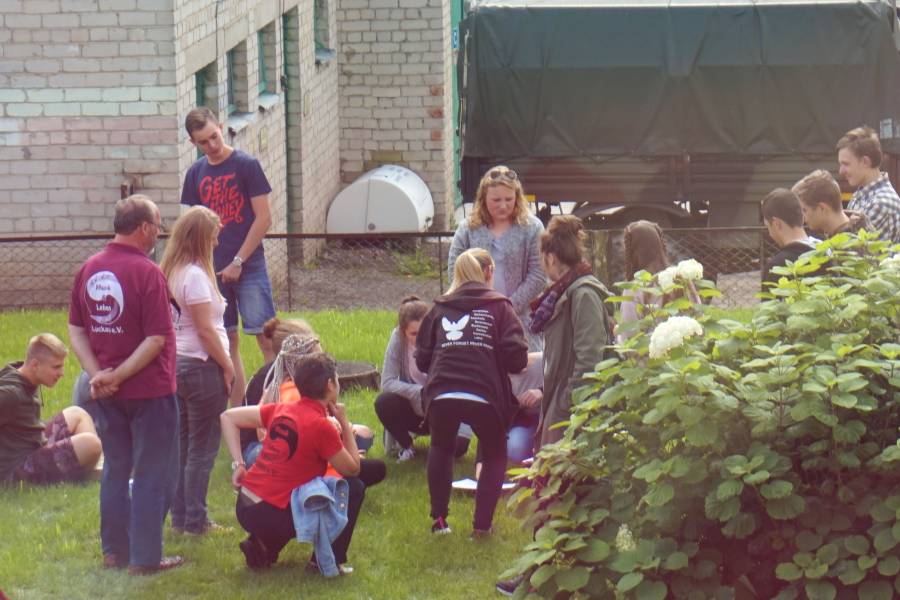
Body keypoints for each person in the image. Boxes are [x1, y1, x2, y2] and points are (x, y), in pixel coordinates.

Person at [67, 194, 181, 575]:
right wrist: (114, 375)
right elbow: (156, 339)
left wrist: (98, 374)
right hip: (150, 391)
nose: (160, 233)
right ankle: (146, 558)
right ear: (145, 228)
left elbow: (76, 328)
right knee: (151, 473)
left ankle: (114, 551)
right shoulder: (148, 272)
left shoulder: (88, 268)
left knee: (116, 469)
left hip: (106, 394)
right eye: (158, 225)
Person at [415, 248, 529, 536]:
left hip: (442, 392)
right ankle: (481, 527)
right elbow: (516, 358)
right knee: (493, 454)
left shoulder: (439, 308)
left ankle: (439, 521)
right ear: (489, 272)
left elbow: (422, 359)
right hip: (484, 393)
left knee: (441, 447)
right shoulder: (501, 307)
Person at [221, 352, 364, 575]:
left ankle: (262, 547)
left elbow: (228, 417)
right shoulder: (321, 425)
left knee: (300, 492)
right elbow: (353, 469)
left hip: (245, 505)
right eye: (337, 380)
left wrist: (239, 464)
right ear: (329, 385)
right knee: (353, 488)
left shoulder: (281, 409)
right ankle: (324, 561)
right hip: (268, 513)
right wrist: (344, 422)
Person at [180, 106, 276, 409]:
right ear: (194, 144)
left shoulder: (246, 165)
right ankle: (236, 412)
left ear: (221, 126)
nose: (212, 145)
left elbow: (264, 219)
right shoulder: (195, 174)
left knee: (265, 337)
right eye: (203, 142)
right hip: (210, 272)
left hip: (249, 266)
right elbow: (191, 227)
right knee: (227, 340)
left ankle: (274, 406)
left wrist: (238, 261)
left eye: (214, 136)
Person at [159, 206, 235, 535]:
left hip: (178, 366)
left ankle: (179, 519)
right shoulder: (195, 276)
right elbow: (205, 331)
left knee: (183, 446)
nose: (217, 244)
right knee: (202, 449)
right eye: (215, 237)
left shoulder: (171, 272)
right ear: (202, 238)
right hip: (203, 367)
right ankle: (197, 520)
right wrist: (228, 364)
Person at [242, 319, 385, 489]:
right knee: (362, 470)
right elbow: (267, 434)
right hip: (267, 449)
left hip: (299, 444)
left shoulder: (298, 380)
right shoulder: (285, 387)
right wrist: (341, 431)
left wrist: (341, 427)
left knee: (364, 434)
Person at [531, 215, 612, 448]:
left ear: (551, 257)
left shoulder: (583, 294)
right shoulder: (562, 293)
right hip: (562, 399)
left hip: (574, 406)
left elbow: (590, 356)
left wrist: (568, 401)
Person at [448, 166, 546, 350]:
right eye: (496, 200)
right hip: (474, 317)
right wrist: (474, 305)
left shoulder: (532, 227)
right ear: (483, 199)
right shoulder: (467, 228)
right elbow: (455, 270)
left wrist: (507, 307)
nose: (503, 205)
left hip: (520, 319)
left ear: (517, 197)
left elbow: (539, 274)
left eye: (509, 199)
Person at [374, 295, 472, 463]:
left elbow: (459, 381)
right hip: (415, 405)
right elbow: (387, 382)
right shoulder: (397, 338)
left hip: (443, 406)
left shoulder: (444, 337)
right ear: (403, 332)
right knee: (383, 401)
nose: (419, 338)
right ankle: (407, 446)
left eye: (423, 332)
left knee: (458, 448)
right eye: (413, 334)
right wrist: (418, 392)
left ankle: (440, 440)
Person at [0, 334, 102, 485]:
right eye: (56, 367)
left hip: (33, 445)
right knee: (92, 444)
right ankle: (91, 472)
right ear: (34, 365)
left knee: (77, 413)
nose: (61, 373)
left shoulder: (20, 373)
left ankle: (93, 468)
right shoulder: (12, 394)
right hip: (16, 471)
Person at [617, 220, 700, 343]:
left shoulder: (633, 289)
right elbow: (698, 317)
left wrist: (617, 334)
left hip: (649, 359)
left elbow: (629, 339)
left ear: (631, 251)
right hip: (685, 355)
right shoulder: (681, 279)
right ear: (660, 244)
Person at [836, 126, 900, 243]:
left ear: (865, 162)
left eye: (846, 164)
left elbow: (853, 254)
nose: (841, 171)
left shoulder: (880, 203)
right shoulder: (861, 194)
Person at [760, 188, 821, 285]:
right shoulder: (825, 251)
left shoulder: (777, 268)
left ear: (776, 224)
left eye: (768, 226)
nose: (770, 234)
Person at [792, 169, 873, 239]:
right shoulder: (858, 230)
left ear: (822, 208)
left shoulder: (849, 246)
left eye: (804, 210)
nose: (802, 218)